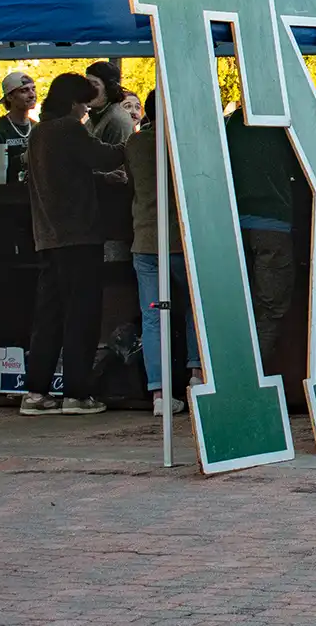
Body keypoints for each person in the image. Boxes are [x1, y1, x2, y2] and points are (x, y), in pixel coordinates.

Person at [19, 73, 126, 416]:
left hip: (48, 236)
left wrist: (98, 178)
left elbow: (63, 174)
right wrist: (135, 143)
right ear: (72, 102)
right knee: (82, 313)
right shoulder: (68, 128)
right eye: (82, 104)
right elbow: (104, 157)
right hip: (79, 234)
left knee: (48, 313)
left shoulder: (38, 133)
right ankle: (77, 393)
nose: (84, 111)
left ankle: (36, 391)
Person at [124, 91, 203, 415]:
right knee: (193, 310)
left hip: (145, 244)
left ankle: (158, 393)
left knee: (155, 315)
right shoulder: (187, 143)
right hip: (181, 245)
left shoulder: (135, 143)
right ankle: (197, 375)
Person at [223, 110, 302, 367]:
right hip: (274, 224)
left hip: (235, 223)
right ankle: (253, 374)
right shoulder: (283, 121)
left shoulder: (234, 121)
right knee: (269, 308)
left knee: (237, 305)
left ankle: (235, 371)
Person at [0, 71, 36, 185]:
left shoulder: (37, 128)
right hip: (5, 197)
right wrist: (22, 159)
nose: (32, 94)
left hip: (34, 197)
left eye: (33, 89)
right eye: (24, 90)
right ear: (9, 96)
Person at [84, 61, 135, 145]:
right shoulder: (93, 118)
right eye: (86, 84)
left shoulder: (118, 121)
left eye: (95, 84)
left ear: (109, 89)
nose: (88, 89)